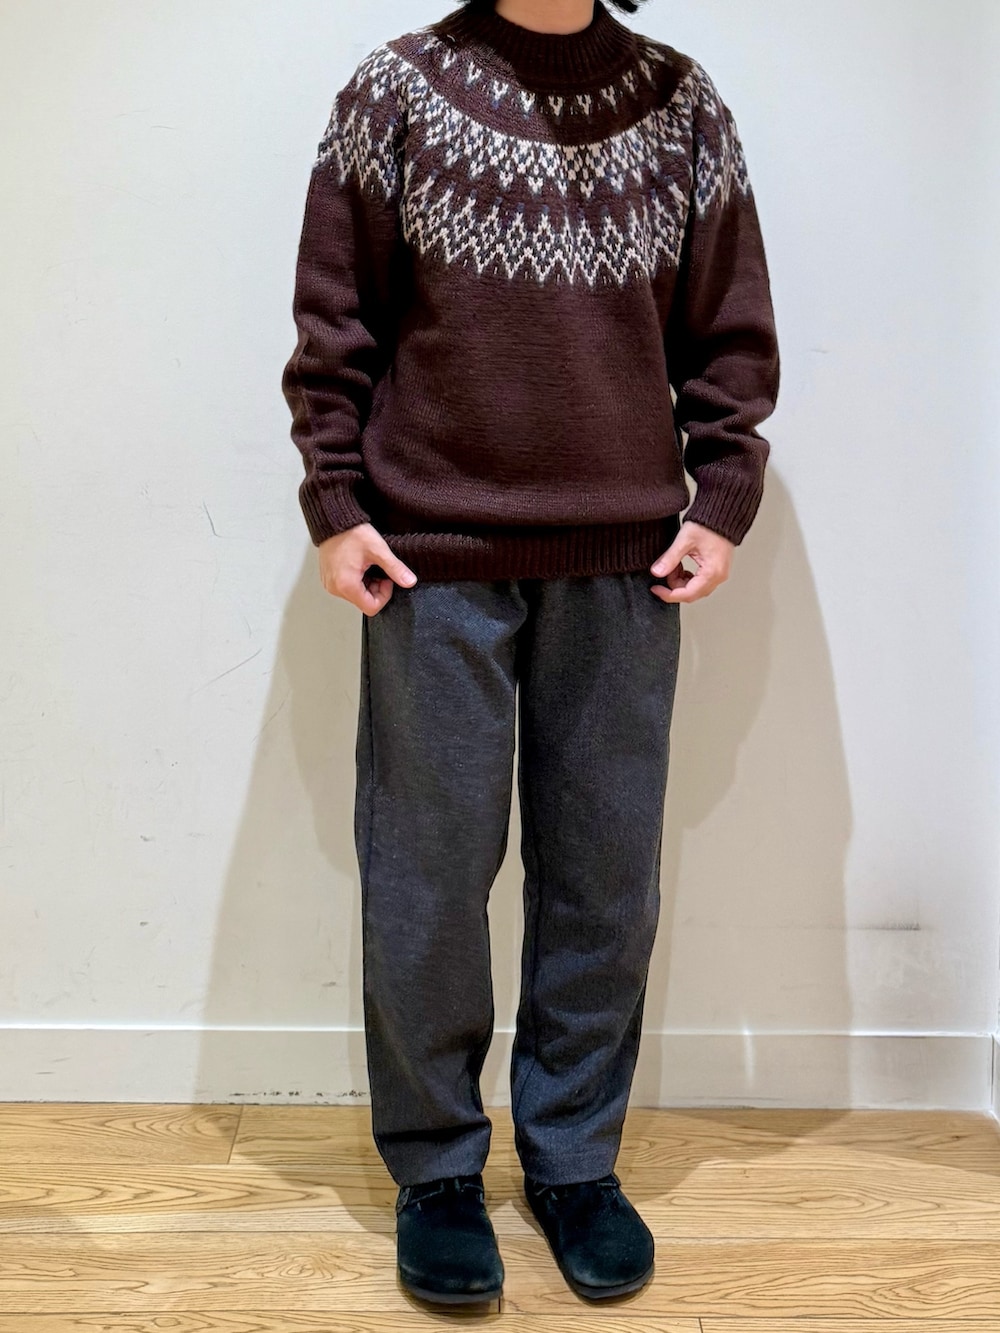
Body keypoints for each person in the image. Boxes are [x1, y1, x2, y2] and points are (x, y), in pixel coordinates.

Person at [281, 0, 779, 1306]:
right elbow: (334, 321)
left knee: (604, 876)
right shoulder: (395, 91)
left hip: (625, 562)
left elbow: (728, 325)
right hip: (429, 561)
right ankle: (438, 1170)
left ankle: (572, 1162)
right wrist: (336, 503)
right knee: (428, 876)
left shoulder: (681, 105)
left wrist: (724, 490)